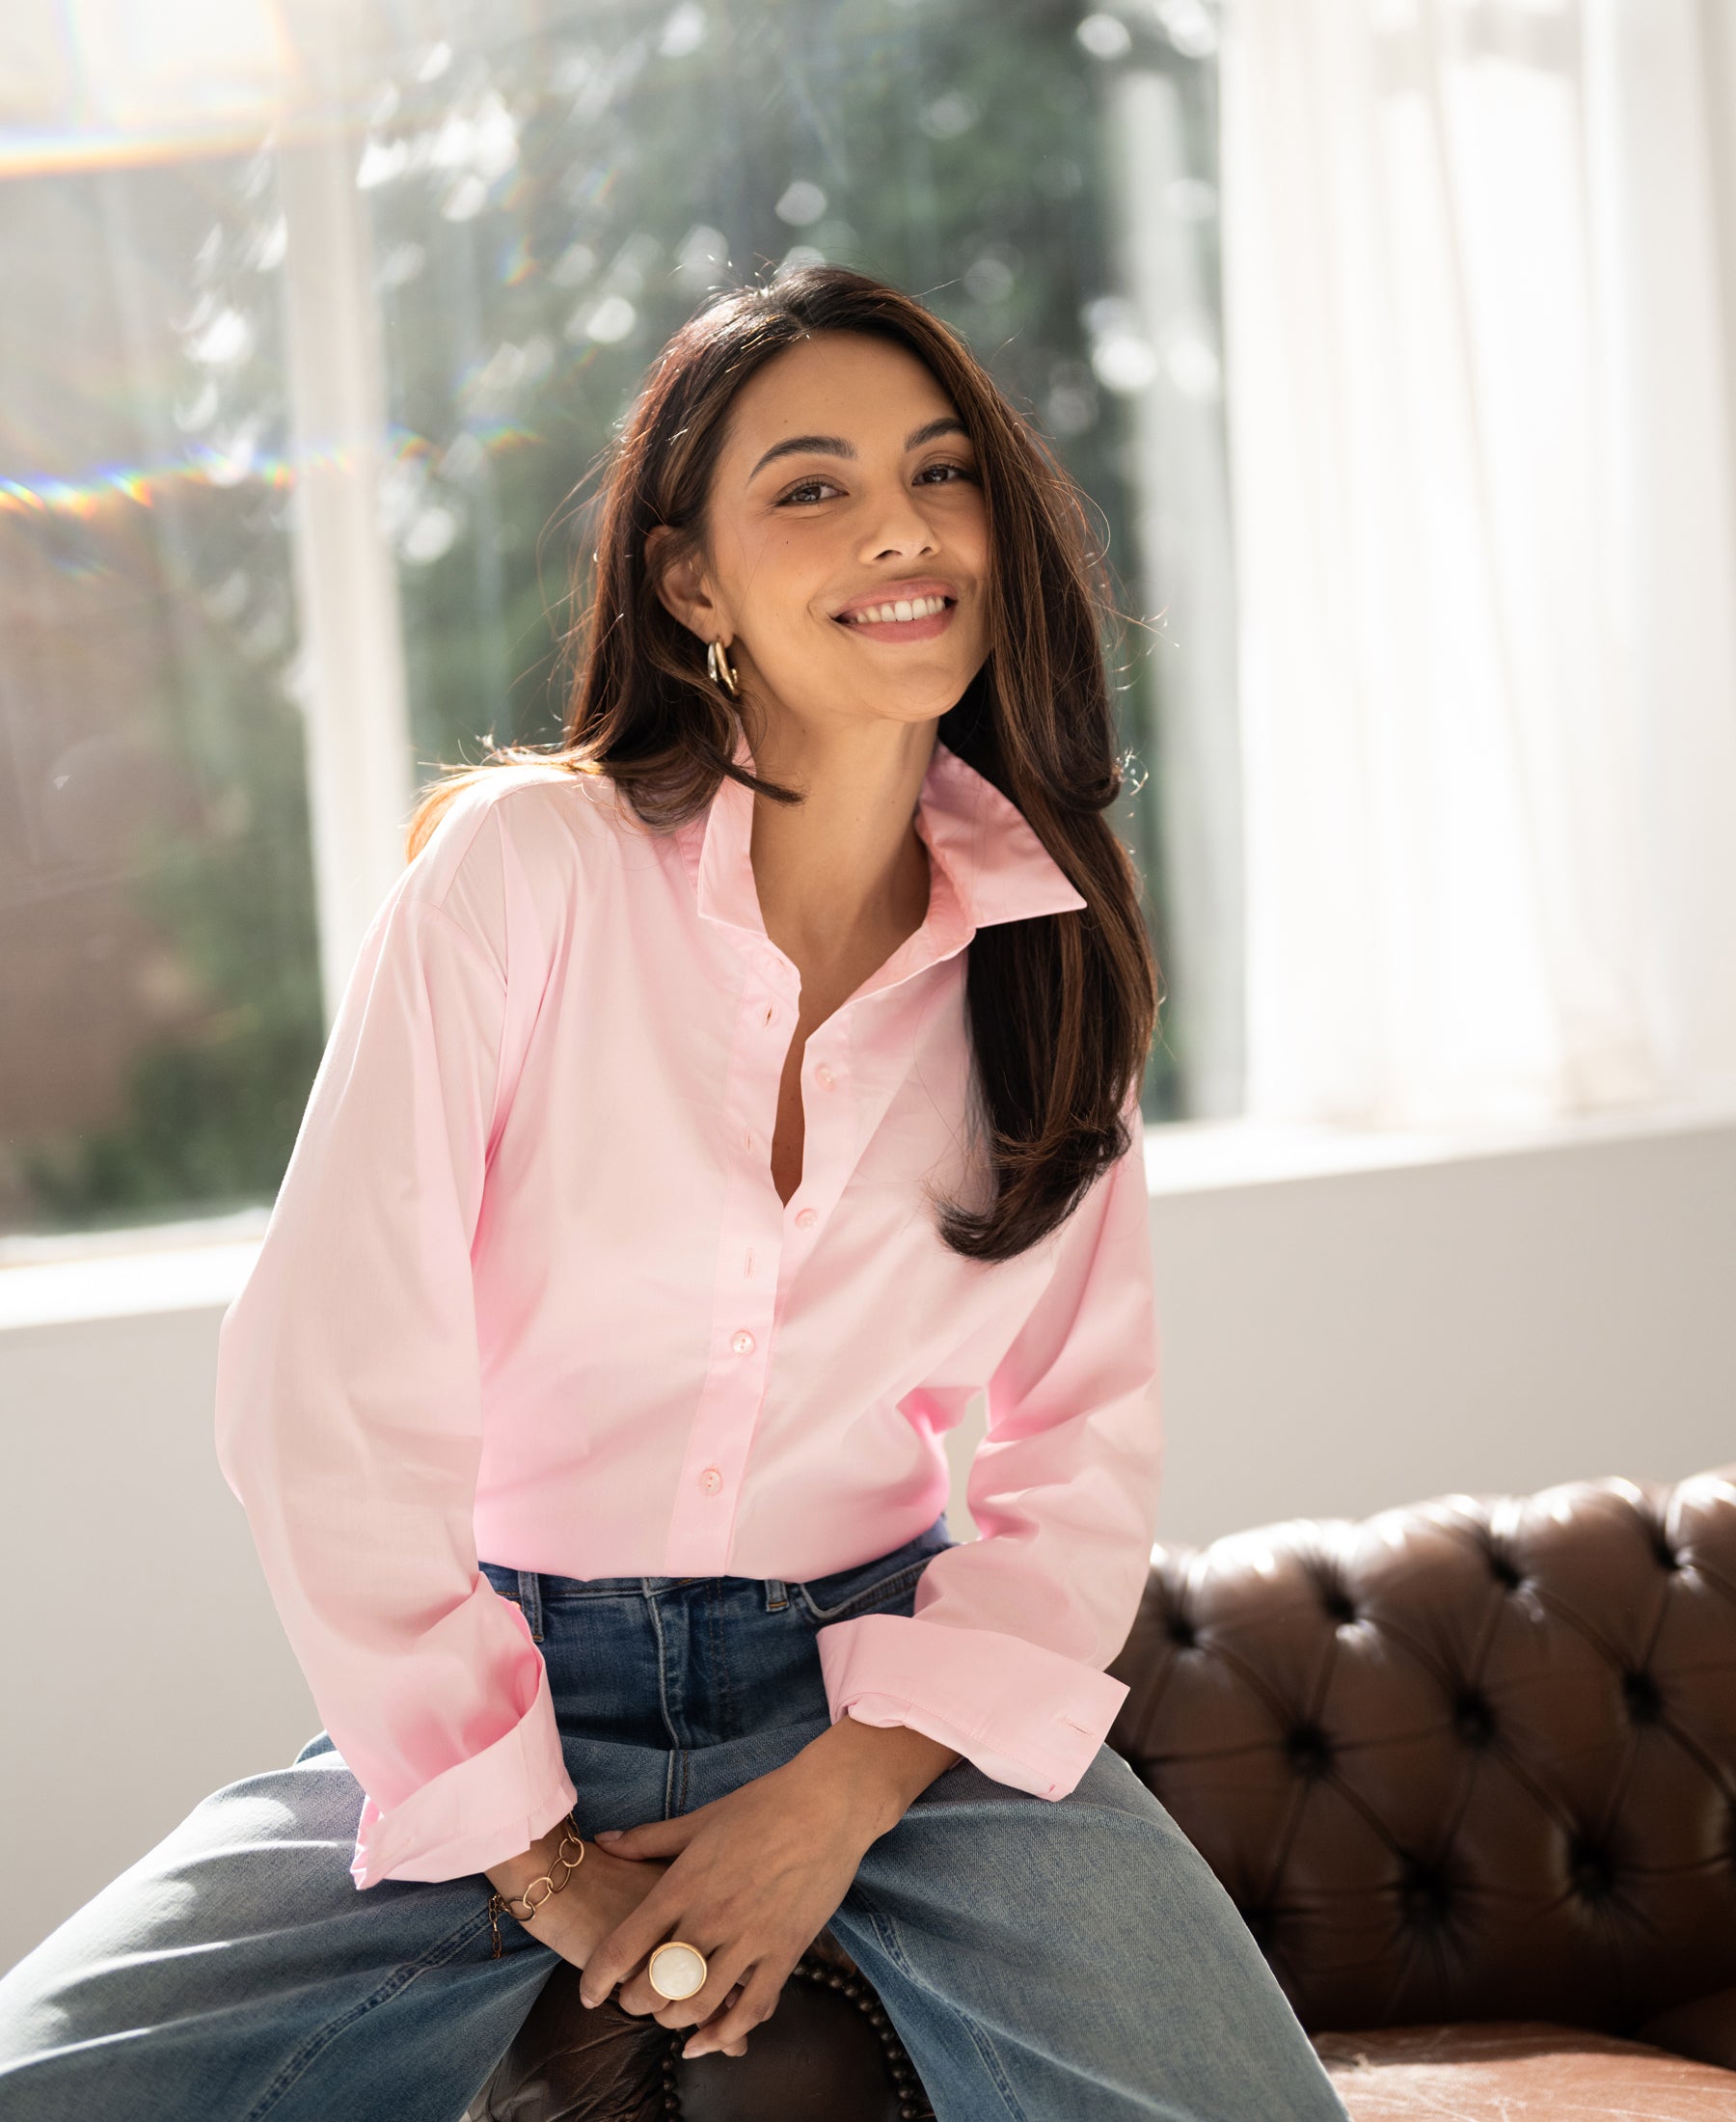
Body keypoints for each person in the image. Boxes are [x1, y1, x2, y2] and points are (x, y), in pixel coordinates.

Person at [0, 263, 1349, 2121]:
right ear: (687, 579)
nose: (902, 526)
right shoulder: (523, 873)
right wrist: (535, 1858)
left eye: (943, 472)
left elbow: (1078, 1457)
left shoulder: (1056, 960)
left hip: (880, 1706)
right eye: (811, 486)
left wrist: (843, 1793)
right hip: (500, 1690)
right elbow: (327, 1398)